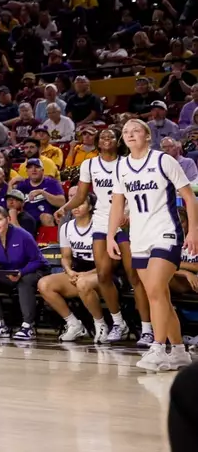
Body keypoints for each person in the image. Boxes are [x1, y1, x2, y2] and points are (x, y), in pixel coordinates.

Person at [107, 118, 198, 371]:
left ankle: (157, 348)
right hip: (139, 237)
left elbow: (189, 198)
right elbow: (117, 204)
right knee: (159, 297)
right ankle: (179, 352)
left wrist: (194, 231)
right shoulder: (121, 167)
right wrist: (112, 235)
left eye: (136, 130)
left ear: (148, 136)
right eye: (125, 131)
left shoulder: (163, 160)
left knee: (156, 291)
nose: (130, 134)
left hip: (166, 232)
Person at [64, 124, 139, 342]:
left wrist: (128, 212)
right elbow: (80, 196)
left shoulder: (127, 163)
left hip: (125, 222)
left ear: (119, 141)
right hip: (102, 222)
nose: (106, 138)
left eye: (111, 136)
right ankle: (118, 323)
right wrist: (64, 208)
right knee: (103, 274)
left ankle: (147, 326)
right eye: (102, 136)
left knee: (134, 276)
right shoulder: (89, 164)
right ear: (97, 142)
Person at [39, 200, 112, 342]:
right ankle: (74, 324)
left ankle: (101, 324)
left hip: (102, 274)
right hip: (77, 273)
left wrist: (85, 274)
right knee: (44, 284)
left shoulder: (100, 226)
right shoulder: (66, 227)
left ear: (91, 207)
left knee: (83, 283)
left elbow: (109, 262)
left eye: (81, 204)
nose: (76, 207)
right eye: (74, 204)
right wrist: (69, 271)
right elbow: (65, 257)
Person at [0, 205, 46, 339]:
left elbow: (38, 261)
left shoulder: (23, 235)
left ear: (8, 219)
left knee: (25, 281)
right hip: (8, 272)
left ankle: (28, 325)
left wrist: (21, 272)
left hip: (33, 270)